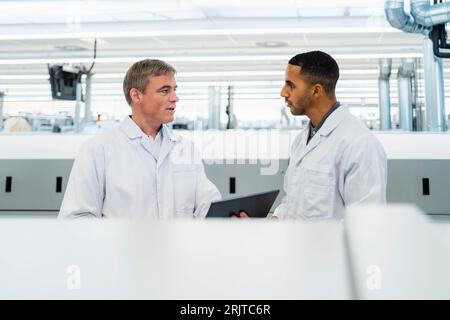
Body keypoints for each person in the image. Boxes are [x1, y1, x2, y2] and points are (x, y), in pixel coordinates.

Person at [59, 59, 221, 219]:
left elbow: (206, 203)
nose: (175, 98)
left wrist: (229, 217)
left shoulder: (185, 148)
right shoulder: (98, 149)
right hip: (122, 246)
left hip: (179, 246)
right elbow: (76, 218)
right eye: (165, 91)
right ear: (136, 95)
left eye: (174, 89)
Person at [269, 51, 387, 220]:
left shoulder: (359, 144)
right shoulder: (301, 141)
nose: (283, 92)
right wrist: (272, 222)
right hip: (297, 245)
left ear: (316, 90)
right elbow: (293, 201)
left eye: (291, 85)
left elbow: (366, 221)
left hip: (330, 247)